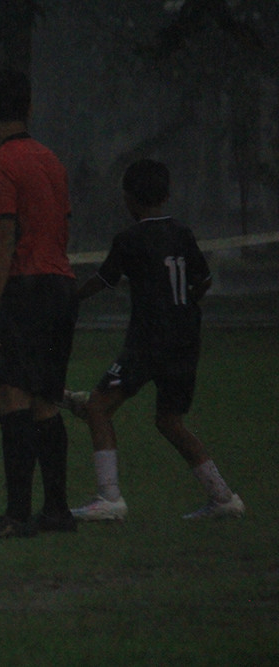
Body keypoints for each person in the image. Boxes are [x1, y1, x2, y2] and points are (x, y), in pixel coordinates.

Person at [70, 159, 244, 521]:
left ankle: (110, 499)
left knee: (99, 408)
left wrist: (67, 299)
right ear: (166, 195)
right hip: (185, 337)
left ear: (128, 199)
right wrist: (182, 304)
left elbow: (104, 281)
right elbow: (204, 280)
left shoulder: (129, 239)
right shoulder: (182, 232)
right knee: (169, 420)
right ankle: (223, 496)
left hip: (150, 340)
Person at [0, 69, 79, 539]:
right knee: (47, 400)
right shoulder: (50, 160)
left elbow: (5, 232)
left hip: (27, 289)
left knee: (11, 393)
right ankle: (56, 512)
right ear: (29, 108)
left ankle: (15, 516)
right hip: (60, 285)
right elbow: (53, 227)